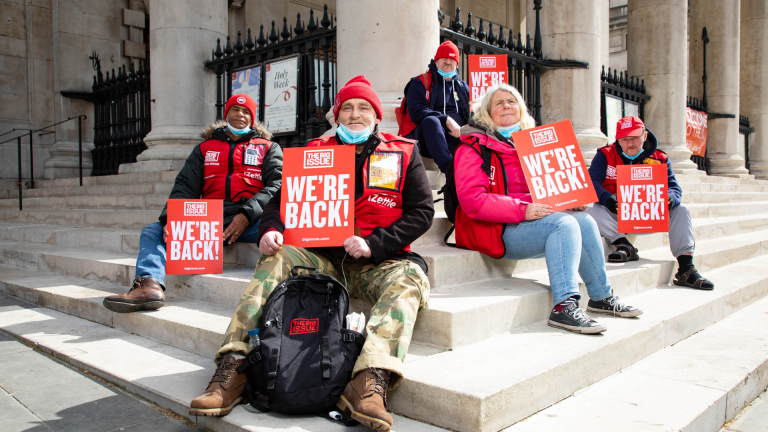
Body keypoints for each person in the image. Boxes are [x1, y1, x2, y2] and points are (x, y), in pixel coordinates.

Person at [189, 76, 434, 432]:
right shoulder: (313, 152)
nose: (355, 114)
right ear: (337, 115)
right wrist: (272, 228)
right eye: (347, 107)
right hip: (323, 260)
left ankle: (368, 381)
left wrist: (375, 243)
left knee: (411, 280)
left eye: (363, 107)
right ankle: (234, 368)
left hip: (378, 261)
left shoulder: (404, 152)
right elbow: (279, 200)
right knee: (278, 256)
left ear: (377, 115)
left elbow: (422, 212)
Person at [453, 84, 642, 335]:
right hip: (496, 228)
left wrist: (569, 199)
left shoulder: (533, 144)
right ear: (487, 112)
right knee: (563, 224)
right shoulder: (473, 147)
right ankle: (564, 306)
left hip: (532, 220)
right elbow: (472, 200)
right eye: (498, 103)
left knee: (583, 219)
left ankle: (600, 297)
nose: (506, 105)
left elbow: (548, 190)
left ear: (520, 108)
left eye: (511, 101)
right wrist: (523, 209)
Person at [102, 94, 283, 313]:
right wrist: (171, 219)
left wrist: (246, 215)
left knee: (286, 229)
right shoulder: (205, 149)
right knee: (153, 231)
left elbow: (276, 185)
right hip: (210, 221)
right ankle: (149, 285)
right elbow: (185, 186)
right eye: (235, 109)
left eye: (246, 112)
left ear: (252, 119)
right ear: (226, 114)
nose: (240, 115)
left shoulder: (268, 148)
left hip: (253, 219)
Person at [587, 116, 714, 290]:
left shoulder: (660, 157)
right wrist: (606, 197)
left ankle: (686, 268)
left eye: (635, 138)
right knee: (588, 209)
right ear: (617, 140)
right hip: (617, 215)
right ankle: (622, 244)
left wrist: (670, 198)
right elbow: (591, 182)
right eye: (624, 139)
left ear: (645, 136)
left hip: (650, 215)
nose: (630, 143)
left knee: (681, 210)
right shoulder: (605, 155)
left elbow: (675, 188)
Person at [400, 41, 470, 175]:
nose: (448, 62)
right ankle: (449, 169)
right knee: (431, 121)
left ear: (457, 63)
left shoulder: (463, 87)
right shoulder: (419, 82)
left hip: (456, 139)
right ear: (436, 60)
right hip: (426, 140)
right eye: (444, 58)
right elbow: (416, 112)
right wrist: (447, 120)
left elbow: (470, 113)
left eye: (452, 59)